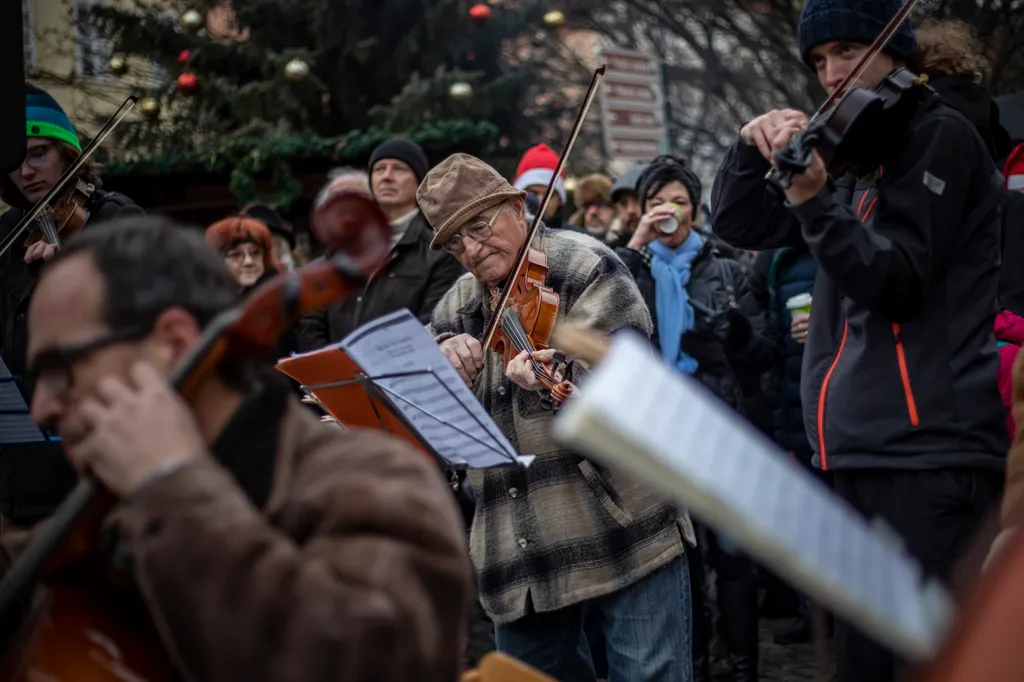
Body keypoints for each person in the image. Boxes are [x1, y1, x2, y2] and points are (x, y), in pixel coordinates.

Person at [2, 216, 472, 681]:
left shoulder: (372, 482)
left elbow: (371, 663)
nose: (41, 407)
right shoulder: (116, 512)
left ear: (172, 344)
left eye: (62, 367)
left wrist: (174, 485)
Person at [711, 2, 1006, 680]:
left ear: (894, 51)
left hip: (927, 451)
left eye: (846, 50)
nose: (831, 74)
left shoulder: (939, 135)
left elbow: (898, 281)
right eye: (818, 62)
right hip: (855, 449)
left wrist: (817, 203)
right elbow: (740, 221)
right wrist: (747, 145)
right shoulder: (853, 153)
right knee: (862, 663)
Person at [421, 153, 695, 682]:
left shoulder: (586, 266)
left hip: (622, 528)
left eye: (480, 227)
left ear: (517, 208)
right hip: (518, 555)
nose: (473, 251)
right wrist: (444, 378)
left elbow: (636, 392)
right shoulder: (454, 309)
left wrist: (562, 379)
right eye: (456, 243)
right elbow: (449, 447)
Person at [615, 155, 770, 682]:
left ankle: (745, 668)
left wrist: (735, 338)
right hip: (657, 432)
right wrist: (634, 244)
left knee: (732, 555)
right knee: (681, 560)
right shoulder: (630, 271)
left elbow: (762, 355)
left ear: (695, 209)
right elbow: (601, 317)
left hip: (720, 424)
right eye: (657, 201)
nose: (668, 211)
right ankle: (696, 667)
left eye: (678, 201)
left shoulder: (727, 267)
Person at [0, 84, 143, 527]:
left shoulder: (113, 219)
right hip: (21, 452)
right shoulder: (9, 233)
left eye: (38, 153)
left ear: (67, 152)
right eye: (14, 160)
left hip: (93, 446)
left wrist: (68, 287)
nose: (25, 171)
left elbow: (138, 324)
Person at [297, 138, 463, 351]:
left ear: (419, 182)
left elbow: (432, 325)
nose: (386, 177)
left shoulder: (438, 251)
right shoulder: (342, 249)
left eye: (399, 169)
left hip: (398, 377)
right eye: (379, 169)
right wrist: (331, 370)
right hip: (337, 378)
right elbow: (312, 320)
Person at [513, 144, 567, 229]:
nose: (540, 201)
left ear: (560, 200)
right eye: (533, 193)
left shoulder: (578, 239)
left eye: (549, 195)